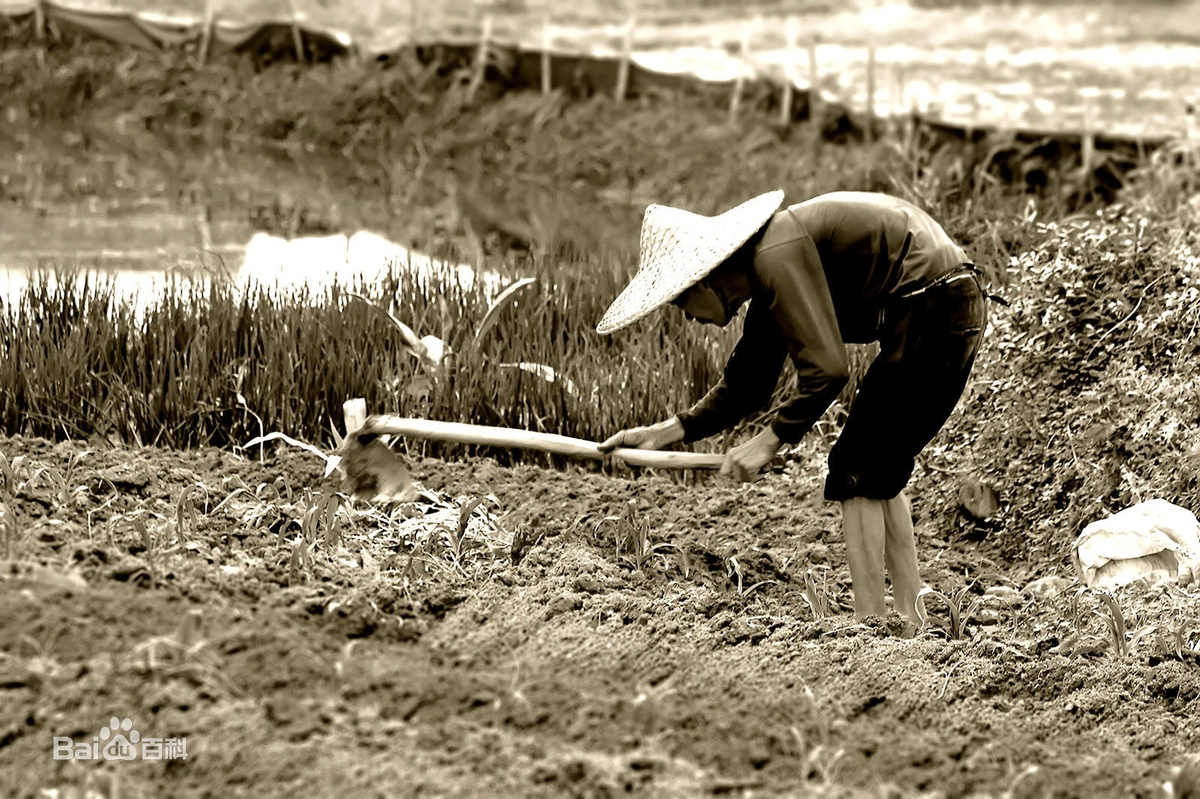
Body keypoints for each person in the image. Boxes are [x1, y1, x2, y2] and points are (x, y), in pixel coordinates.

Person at [595, 190, 988, 623]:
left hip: (935, 304)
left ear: (702, 281)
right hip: (944, 304)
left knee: (854, 468)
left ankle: (871, 626)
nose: (687, 317)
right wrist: (665, 432)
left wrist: (769, 441)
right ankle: (911, 622)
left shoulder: (776, 255)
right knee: (877, 467)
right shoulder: (769, 273)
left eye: (680, 303)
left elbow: (828, 370)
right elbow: (745, 386)